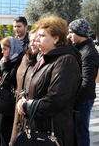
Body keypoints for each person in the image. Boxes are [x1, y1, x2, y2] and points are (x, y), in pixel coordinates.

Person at [16, 15, 81, 146]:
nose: (37, 39)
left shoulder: (66, 61)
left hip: (51, 132)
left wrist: (26, 105)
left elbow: (56, 100)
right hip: (35, 127)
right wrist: (21, 97)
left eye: (42, 36)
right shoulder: (42, 56)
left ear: (56, 38)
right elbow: (29, 84)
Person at [68, 19, 99, 146]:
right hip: (78, 99)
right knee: (75, 131)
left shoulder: (88, 53)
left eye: (71, 32)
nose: (69, 35)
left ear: (79, 33)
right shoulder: (79, 48)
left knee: (81, 132)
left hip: (83, 101)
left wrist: (76, 105)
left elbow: (87, 83)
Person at [10, 29, 40, 144]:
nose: (32, 43)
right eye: (30, 40)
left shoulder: (42, 60)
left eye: (36, 40)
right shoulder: (26, 57)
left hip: (31, 107)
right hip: (20, 103)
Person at [0, 36, 23, 146]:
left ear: (13, 48)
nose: (2, 52)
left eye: (5, 49)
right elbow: (1, 74)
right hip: (3, 97)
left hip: (10, 100)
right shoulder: (5, 60)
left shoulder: (19, 60)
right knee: (1, 127)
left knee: (6, 128)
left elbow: (10, 78)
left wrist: (5, 64)